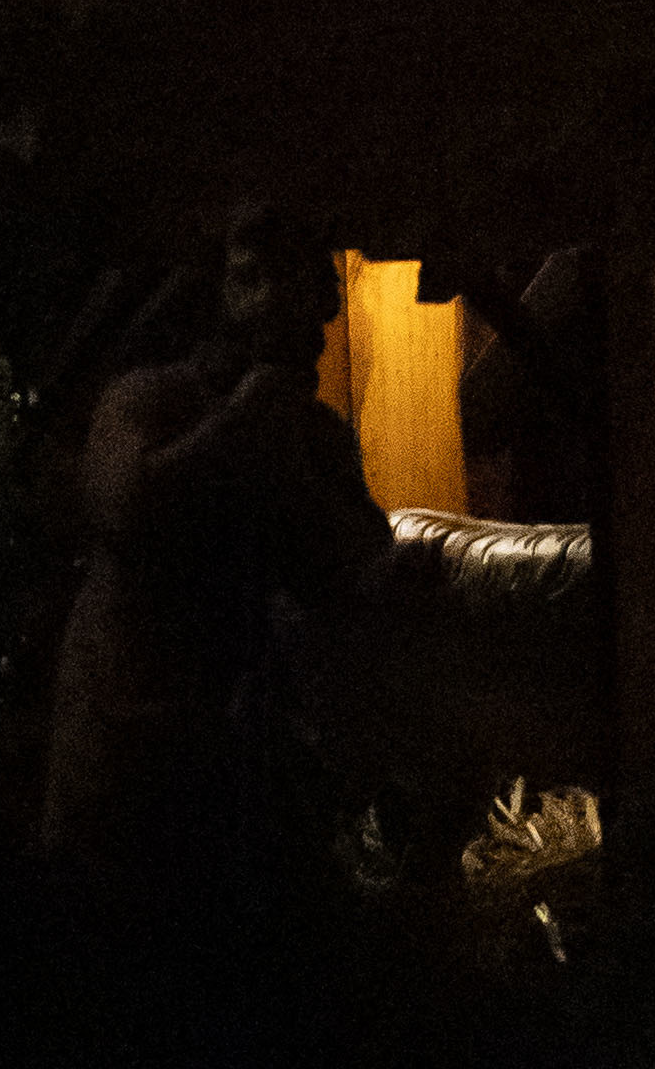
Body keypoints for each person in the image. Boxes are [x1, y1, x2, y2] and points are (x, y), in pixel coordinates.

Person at [39, 210, 395, 888]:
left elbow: (349, 567)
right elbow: (124, 505)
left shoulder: (309, 436)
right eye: (253, 279)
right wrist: (238, 426)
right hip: (124, 753)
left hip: (232, 759)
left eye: (300, 285)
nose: (279, 307)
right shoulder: (149, 399)